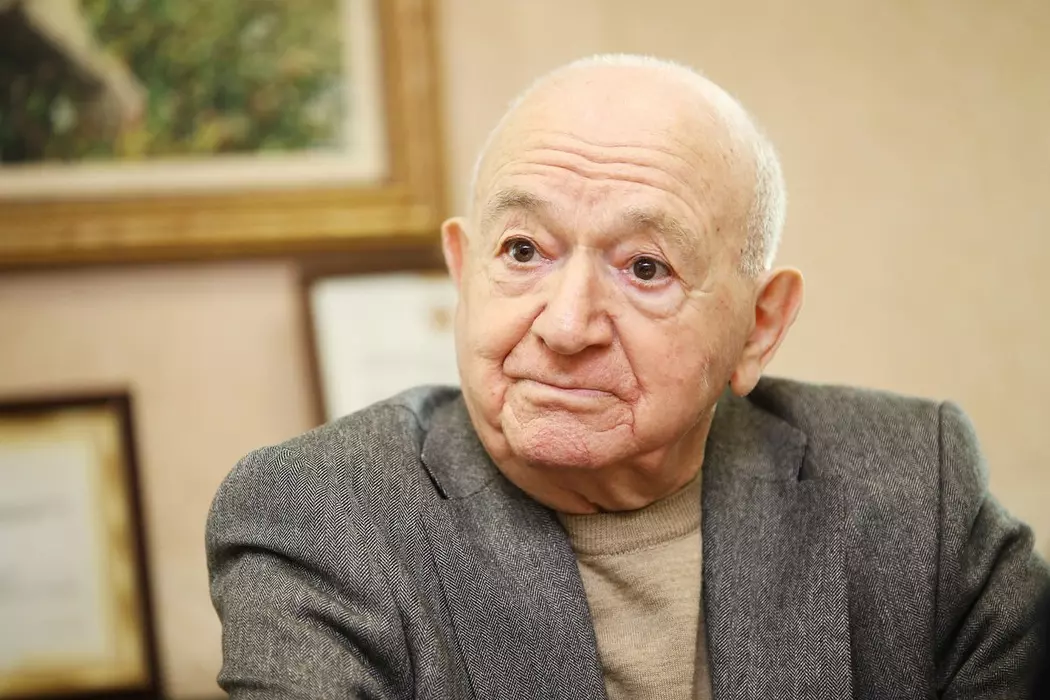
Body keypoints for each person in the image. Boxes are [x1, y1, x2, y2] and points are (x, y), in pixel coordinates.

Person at [207, 55, 1049, 699]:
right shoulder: (320, 516)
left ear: (760, 326)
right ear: (463, 272)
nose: (567, 325)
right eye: (523, 251)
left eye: (645, 267)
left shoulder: (915, 488)